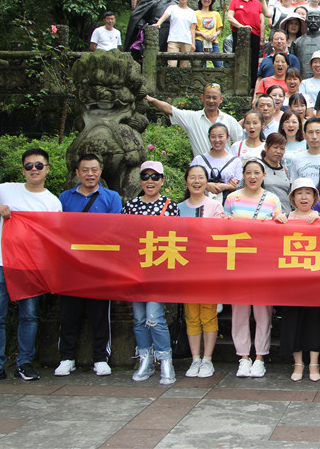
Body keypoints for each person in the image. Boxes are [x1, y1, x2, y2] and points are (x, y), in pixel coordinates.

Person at [0, 148, 63, 385]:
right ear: (23, 170)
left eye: (38, 165)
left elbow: (54, 238)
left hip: (30, 267)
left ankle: (24, 363)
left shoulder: (52, 202)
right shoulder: (6, 190)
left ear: (47, 169)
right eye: (29, 166)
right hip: (1, 263)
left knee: (29, 316)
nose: (34, 169)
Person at [53, 154, 122, 378]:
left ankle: (101, 358)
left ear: (100, 171)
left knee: (99, 314)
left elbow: (114, 228)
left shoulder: (112, 197)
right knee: (68, 313)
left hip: (100, 266)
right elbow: (59, 228)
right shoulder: (65, 197)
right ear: (77, 172)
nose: (90, 174)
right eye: (85, 170)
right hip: (71, 265)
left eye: (94, 170)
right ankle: (66, 358)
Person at [225, 158, 287, 379]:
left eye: (256, 172)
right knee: (239, 312)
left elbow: (279, 229)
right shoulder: (232, 198)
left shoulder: (272, 199)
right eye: (248, 173)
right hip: (238, 263)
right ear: (243, 175)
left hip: (263, 264)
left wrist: (281, 219)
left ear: (264, 175)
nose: (252, 176)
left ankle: (260, 357)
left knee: (263, 313)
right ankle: (243, 357)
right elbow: (223, 227)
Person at [122, 161, 180, 384]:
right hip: (135, 269)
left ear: (162, 180)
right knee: (139, 319)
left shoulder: (170, 206)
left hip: (159, 269)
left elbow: (177, 238)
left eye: (155, 177)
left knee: (154, 317)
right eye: (145, 176)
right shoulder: (130, 206)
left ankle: (165, 360)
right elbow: (123, 236)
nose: (150, 181)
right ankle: (145, 360)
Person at [280, 178, 320, 382]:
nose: (303, 197)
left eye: (308, 193)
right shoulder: (284, 218)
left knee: (315, 321)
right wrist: (277, 222)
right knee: (293, 321)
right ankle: (298, 363)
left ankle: (314, 363)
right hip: (291, 281)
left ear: (314, 197)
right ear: (292, 197)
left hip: (316, 281)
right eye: (299, 193)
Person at [178, 165, 225, 378]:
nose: (196, 181)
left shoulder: (215, 206)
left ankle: (207, 359)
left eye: (200, 177)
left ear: (207, 181)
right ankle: (195, 358)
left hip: (208, 270)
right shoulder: (178, 208)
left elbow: (219, 234)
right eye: (192, 177)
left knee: (208, 315)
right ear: (186, 181)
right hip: (186, 270)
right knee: (192, 316)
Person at [146, 84, 241, 158]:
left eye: (214, 98)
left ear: (221, 99)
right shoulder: (192, 118)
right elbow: (170, 110)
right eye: (208, 97)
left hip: (226, 171)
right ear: (202, 98)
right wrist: (152, 100)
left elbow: (241, 144)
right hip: (201, 171)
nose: (211, 101)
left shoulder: (229, 120)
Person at [191, 122, 241, 203]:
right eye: (213, 136)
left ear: (227, 137)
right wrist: (206, 185)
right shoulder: (199, 159)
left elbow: (239, 186)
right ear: (209, 138)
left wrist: (225, 186)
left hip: (228, 203)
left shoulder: (235, 161)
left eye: (220, 136)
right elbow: (190, 181)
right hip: (201, 202)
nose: (217, 140)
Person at [227, 0, 264, 82]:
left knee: (254, 59)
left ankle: (252, 84)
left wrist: (262, 38)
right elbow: (230, 17)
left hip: (255, 34)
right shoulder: (234, 2)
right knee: (239, 58)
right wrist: (242, 27)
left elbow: (262, 21)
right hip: (239, 34)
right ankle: (238, 81)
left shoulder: (257, 3)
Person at [152, 0, 197, 67]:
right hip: (173, 39)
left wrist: (193, 43)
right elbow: (164, 16)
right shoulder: (172, 8)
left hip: (186, 40)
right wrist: (158, 24)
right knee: (172, 64)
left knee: (184, 65)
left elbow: (192, 28)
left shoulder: (192, 12)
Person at [287, 117, 320, 184]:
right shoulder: (297, 158)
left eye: (318, 132)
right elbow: (294, 183)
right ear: (304, 135)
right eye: (310, 132)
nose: (314, 136)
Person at [194, 0, 224, 67]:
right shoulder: (195, 13)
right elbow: (192, 30)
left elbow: (218, 30)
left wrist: (215, 34)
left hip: (213, 41)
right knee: (201, 65)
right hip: (200, 41)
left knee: (219, 64)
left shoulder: (216, 14)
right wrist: (202, 34)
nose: (207, 0)